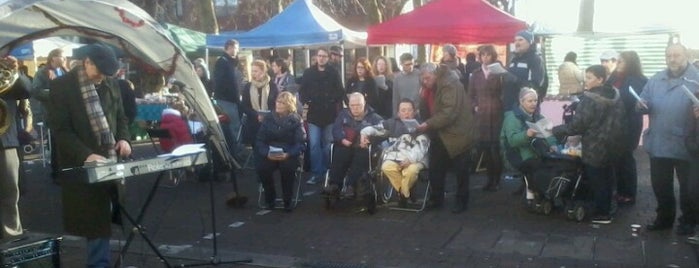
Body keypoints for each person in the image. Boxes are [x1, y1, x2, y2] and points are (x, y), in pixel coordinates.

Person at [49, 43, 131, 268]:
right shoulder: (61, 86)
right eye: (99, 72)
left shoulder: (110, 82)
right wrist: (86, 155)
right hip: (82, 164)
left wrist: (124, 139)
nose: (102, 78)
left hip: (112, 162)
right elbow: (61, 131)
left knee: (109, 216)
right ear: (87, 62)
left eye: (107, 73)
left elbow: (121, 117)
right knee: (96, 222)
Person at [552, 65, 626, 224]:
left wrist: (556, 130)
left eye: (590, 77)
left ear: (600, 79)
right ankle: (609, 207)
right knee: (608, 178)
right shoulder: (616, 95)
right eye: (586, 77)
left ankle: (602, 214)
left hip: (594, 146)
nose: (586, 81)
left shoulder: (590, 99)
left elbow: (577, 125)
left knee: (597, 180)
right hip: (613, 144)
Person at [639, 43, 699, 235]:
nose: (672, 59)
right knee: (660, 186)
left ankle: (689, 221)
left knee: (689, 190)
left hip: (688, 144)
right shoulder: (656, 78)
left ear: (686, 56)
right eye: (668, 56)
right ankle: (664, 218)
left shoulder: (697, 79)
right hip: (659, 142)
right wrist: (641, 105)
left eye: (677, 55)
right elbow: (643, 100)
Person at [416, 62, 475, 213]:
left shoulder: (450, 83)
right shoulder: (430, 87)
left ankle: (462, 201)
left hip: (457, 132)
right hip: (438, 131)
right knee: (435, 167)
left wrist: (428, 123)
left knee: (461, 169)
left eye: (427, 78)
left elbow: (449, 112)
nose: (425, 81)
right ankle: (436, 198)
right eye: (422, 78)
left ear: (435, 74)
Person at [360, 99, 429, 207]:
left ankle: (402, 194)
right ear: (398, 113)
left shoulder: (421, 125)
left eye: (409, 110)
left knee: (411, 170)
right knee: (386, 166)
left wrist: (410, 159)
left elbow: (422, 147)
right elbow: (376, 129)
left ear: (414, 112)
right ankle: (406, 193)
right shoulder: (392, 123)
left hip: (417, 158)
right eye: (403, 110)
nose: (406, 113)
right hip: (397, 157)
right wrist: (364, 133)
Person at [605, 51, 648, 205]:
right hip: (613, 123)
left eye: (621, 61)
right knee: (616, 158)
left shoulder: (637, 80)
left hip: (629, 123)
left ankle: (629, 193)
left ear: (630, 63)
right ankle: (619, 190)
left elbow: (629, 100)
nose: (618, 64)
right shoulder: (615, 76)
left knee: (626, 158)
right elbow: (606, 90)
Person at [324, 93, 383, 199]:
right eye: (352, 105)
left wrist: (369, 139)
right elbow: (336, 129)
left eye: (358, 105)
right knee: (339, 153)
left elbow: (382, 132)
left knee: (361, 157)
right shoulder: (343, 114)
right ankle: (335, 185)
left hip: (363, 148)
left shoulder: (374, 117)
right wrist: (342, 139)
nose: (355, 108)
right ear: (348, 105)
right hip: (346, 145)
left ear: (364, 104)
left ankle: (351, 185)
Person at [500, 88, 557, 197]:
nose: (533, 104)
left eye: (535, 101)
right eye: (530, 101)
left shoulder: (538, 117)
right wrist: (527, 134)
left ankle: (538, 189)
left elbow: (549, 135)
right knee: (539, 165)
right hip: (515, 153)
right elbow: (512, 141)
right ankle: (533, 193)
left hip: (534, 150)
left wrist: (553, 145)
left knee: (555, 160)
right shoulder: (512, 118)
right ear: (521, 101)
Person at [299, 48, 344, 185]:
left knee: (327, 146)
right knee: (313, 145)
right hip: (313, 115)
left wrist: (332, 99)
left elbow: (340, 91)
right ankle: (317, 172)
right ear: (316, 57)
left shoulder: (333, 72)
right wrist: (308, 100)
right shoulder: (308, 73)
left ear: (328, 58)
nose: (322, 58)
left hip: (330, 115)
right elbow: (302, 92)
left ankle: (328, 171)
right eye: (319, 56)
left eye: (324, 56)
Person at [256, 92, 305, 212]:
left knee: (287, 169)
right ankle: (270, 198)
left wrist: (289, 153)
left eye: (282, 103)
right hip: (270, 151)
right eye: (278, 101)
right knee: (262, 168)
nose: (278, 104)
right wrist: (266, 152)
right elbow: (259, 140)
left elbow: (301, 143)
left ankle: (287, 200)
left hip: (288, 152)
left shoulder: (296, 120)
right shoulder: (268, 118)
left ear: (289, 105)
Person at [0, 55, 31, 239]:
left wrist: (16, 69)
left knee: (9, 195)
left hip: (5, 142)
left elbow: (26, 90)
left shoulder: (5, 67)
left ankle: (11, 237)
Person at [467, 45, 506, 191]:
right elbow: (470, 95)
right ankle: (489, 179)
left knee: (495, 148)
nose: (485, 58)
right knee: (486, 148)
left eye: (488, 55)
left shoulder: (499, 72)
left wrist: (501, 104)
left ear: (493, 56)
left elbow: (505, 91)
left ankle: (497, 179)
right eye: (482, 55)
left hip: (496, 112)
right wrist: (474, 107)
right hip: (481, 114)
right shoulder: (475, 74)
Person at [213, 39, 244, 154]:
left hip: (231, 99)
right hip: (227, 100)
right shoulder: (222, 61)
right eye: (236, 48)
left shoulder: (230, 62)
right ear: (229, 47)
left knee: (234, 126)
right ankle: (235, 153)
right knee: (233, 126)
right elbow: (221, 81)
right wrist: (231, 94)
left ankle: (234, 151)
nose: (237, 50)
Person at [240, 60, 278, 147]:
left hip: (270, 123)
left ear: (263, 71)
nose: (253, 73)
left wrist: (267, 115)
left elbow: (277, 104)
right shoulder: (248, 86)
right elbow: (244, 106)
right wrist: (256, 115)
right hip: (253, 123)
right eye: (252, 71)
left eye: (255, 71)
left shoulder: (272, 86)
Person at [505, 30, 548, 110]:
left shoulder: (535, 59)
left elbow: (535, 86)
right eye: (515, 40)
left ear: (529, 42)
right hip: (510, 104)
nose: (517, 43)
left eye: (520, 40)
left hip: (526, 107)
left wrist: (515, 79)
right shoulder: (514, 59)